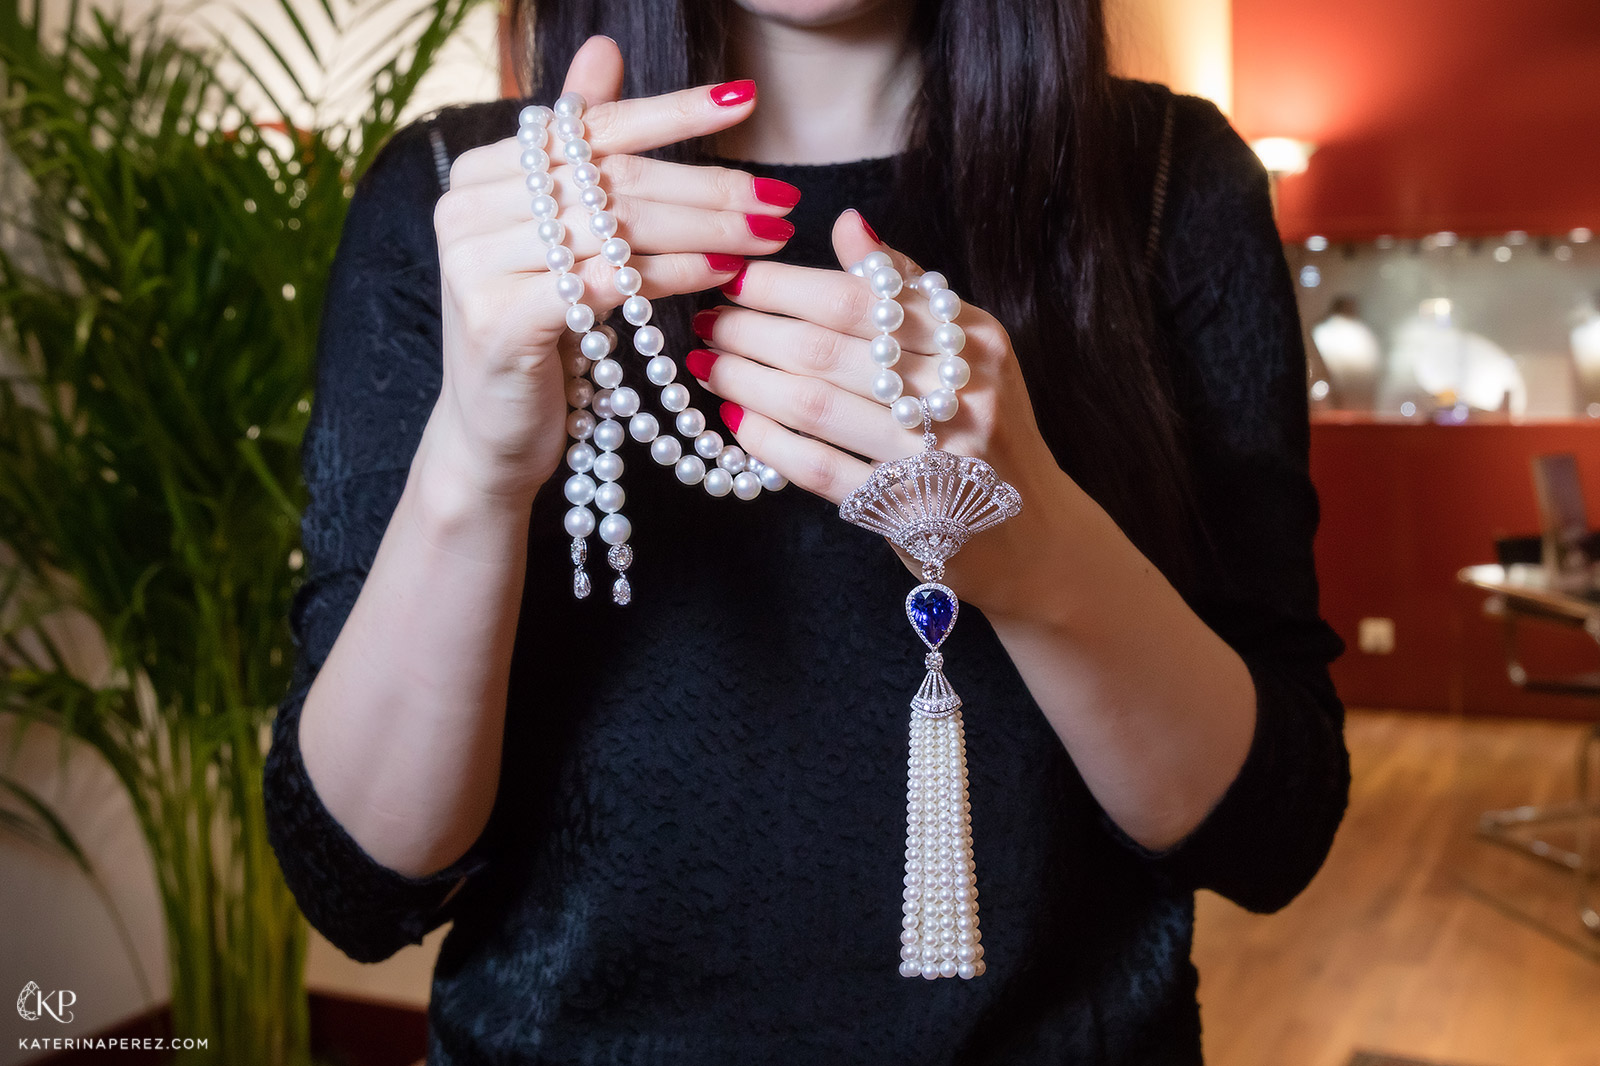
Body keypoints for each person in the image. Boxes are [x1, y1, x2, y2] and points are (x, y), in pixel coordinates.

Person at [263, 1, 1350, 1062]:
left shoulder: (1169, 179)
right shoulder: (469, 205)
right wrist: (477, 463)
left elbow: (1271, 831)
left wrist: (1039, 551)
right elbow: (354, 883)